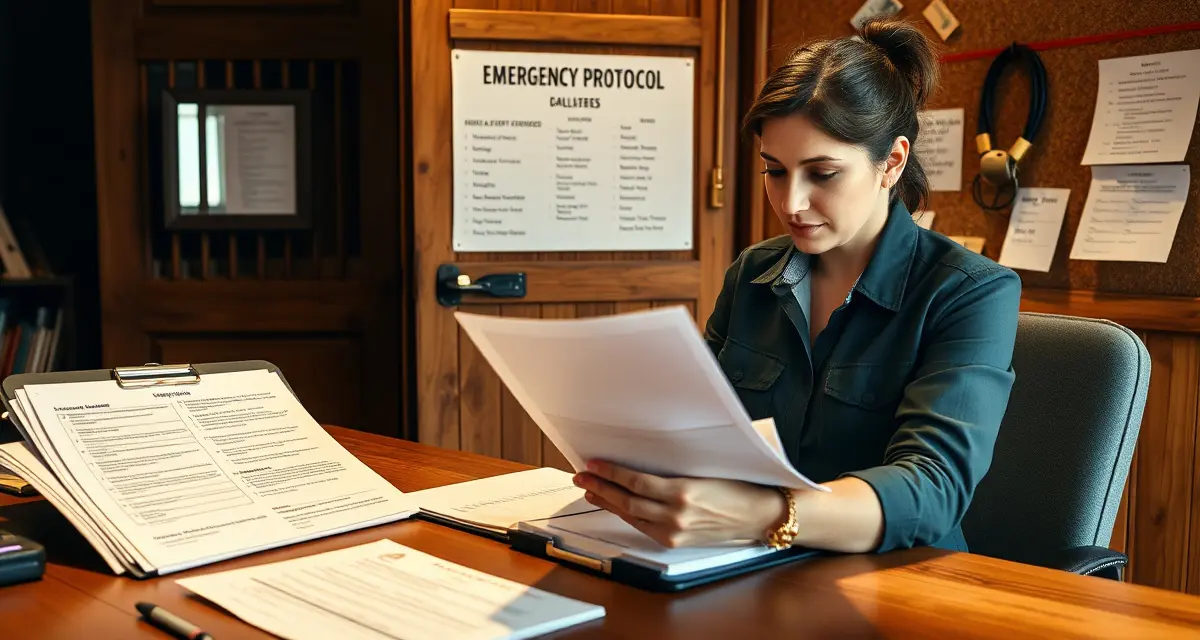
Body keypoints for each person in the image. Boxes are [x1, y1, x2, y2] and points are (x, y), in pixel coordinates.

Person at [572, 18, 1022, 555]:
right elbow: (701, 430)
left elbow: (933, 486)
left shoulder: (970, 292)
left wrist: (768, 515)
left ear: (892, 163)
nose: (791, 203)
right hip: (746, 563)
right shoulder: (751, 273)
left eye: (823, 173)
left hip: (902, 580)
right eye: (775, 171)